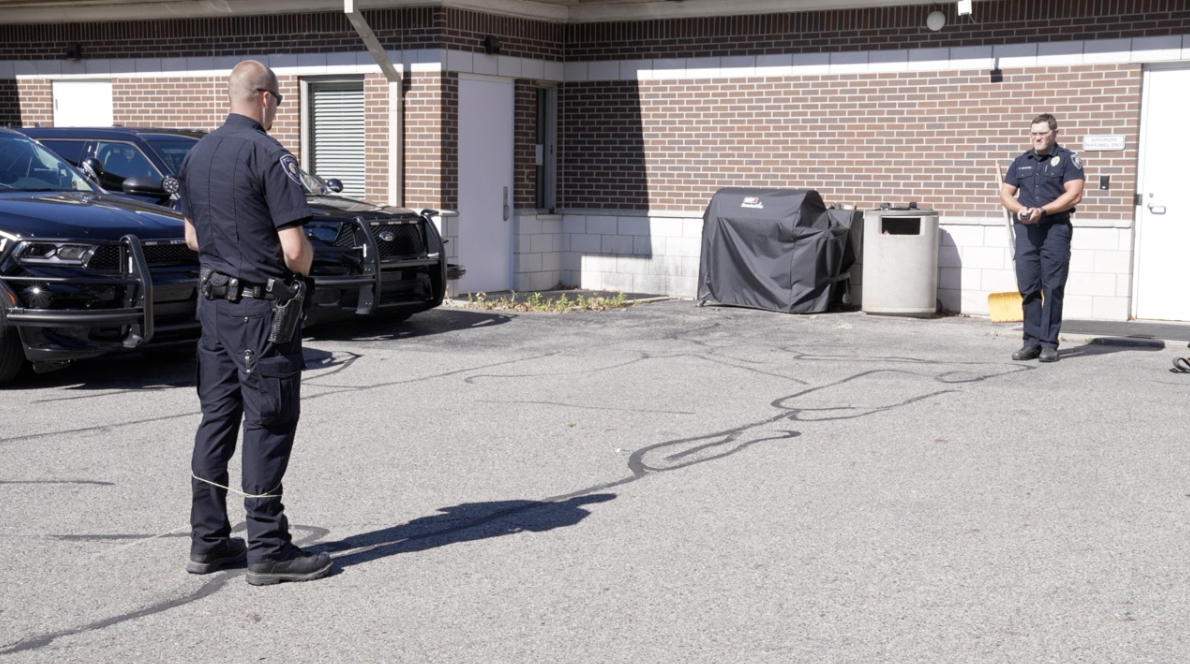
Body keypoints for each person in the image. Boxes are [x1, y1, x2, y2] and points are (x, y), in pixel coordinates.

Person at [178, 60, 332, 585]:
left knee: (216, 418)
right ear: (265, 98)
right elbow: (295, 251)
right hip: (260, 313)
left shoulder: (197, 154)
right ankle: (268, 548)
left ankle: (208, 540)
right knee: (268, 422)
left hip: (213, 309)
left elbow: (193, 240)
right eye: (282, 101)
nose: (279, 110)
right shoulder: (269, 154)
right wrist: (306, 268)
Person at [1000, 113, 1085, 363]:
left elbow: (1075, 194)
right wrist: (1019, 209)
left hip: (1055, 229)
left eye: (1042, 133)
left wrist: (1044, 210)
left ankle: (1049, 344)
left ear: (1055, 134)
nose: (1037, 137)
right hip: (1026, 231)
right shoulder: (1021, 161)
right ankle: (1031, 343)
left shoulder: (1068, 160)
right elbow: (1006, 194)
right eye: (1034, 133)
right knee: (1028, 287)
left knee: (1053, 286)